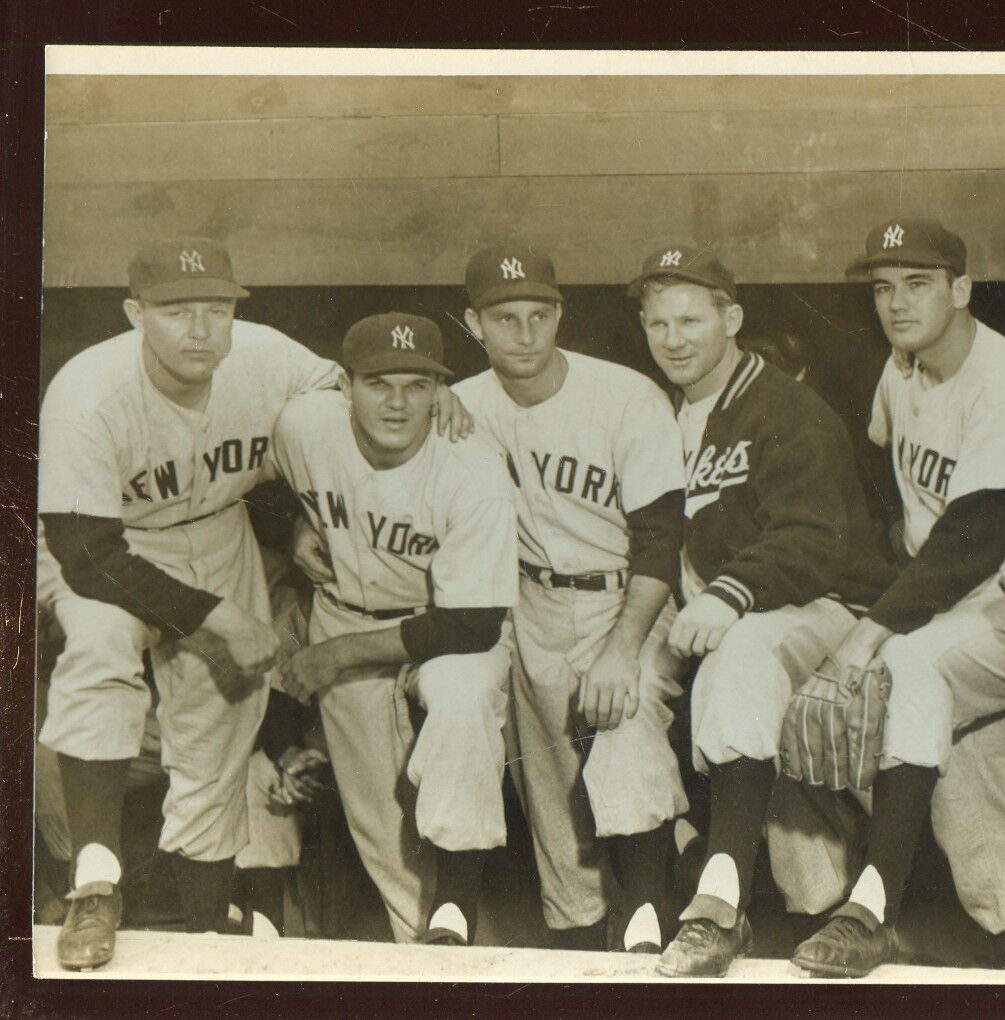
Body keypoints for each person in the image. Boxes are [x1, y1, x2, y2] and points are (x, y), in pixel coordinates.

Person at [765, 218, 1005, 978]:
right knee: (977, 777)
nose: (897, 304)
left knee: (909, 666)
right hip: (956, 607)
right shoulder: (902, 367)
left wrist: (866, 633)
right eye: (883, 288)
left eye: (918, 285)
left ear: (962, 289)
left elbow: (973, 538)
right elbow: (891, 488)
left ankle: (873, 904)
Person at [38, 238, 345, 969]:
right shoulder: (87, 392)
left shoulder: (266, 357)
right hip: (111, 545)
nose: (201, 329)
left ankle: (206, 926)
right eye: (177, 311)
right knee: (101, 648)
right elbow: (86, 555)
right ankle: (94, 884)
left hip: (215, 528)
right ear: (135, 314)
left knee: (222, 721)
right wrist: (220, 617)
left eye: (218, 308)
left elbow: (338, 400)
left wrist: (309, 508)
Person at [630, 245, 893, 978]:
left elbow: (812, 540)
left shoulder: (785, 408)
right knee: (621, 679)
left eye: (690, 320)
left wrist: (729, 593)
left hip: (825, 604)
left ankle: (717, 902)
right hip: (716, 609)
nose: (673, 339)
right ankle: (658, 895)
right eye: (658, 323)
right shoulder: (663, 411)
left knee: (739, 656)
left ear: (732, 318)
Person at [452, 245, 689, 953]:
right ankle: (579, 961)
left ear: (559, 314)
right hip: (529, 603)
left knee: (627, 718)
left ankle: (656, 929)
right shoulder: (459, 405)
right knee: (552, 796)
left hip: (629, 595)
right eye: (505, 317)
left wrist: (623, 650)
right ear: (474, 324)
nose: (525, 333)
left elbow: (660, 539)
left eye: (540, 314)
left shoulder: (624, 396)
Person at [273, 312, 518, 946]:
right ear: (345, 385)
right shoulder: (303, 424)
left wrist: (337, 656)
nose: (398, 402)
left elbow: (472, 623)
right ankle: (433, 966)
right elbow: (250, 481)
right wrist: (295, 522)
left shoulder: (472, 467)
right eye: (380, 384)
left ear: (441, 392)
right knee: (383, 834)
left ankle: (456, 918)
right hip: (344, 608)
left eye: (418, 385)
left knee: (462, 710)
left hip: (448, 627)